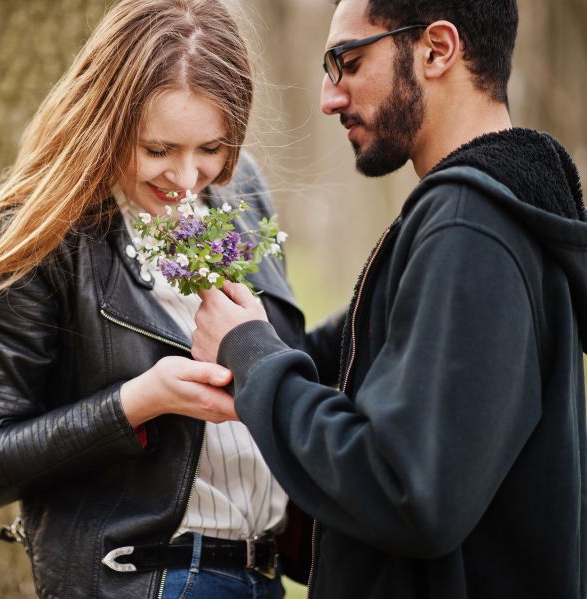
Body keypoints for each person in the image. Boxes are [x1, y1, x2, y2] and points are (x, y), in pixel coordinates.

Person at [0, 1, 333, 597]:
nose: (186, 177)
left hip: (263, 573)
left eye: (211, 148)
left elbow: (286, 346)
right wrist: (139, 401)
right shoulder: (41, 235)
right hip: (150, 578)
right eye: (158, 150)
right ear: (107, 121)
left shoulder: (241, 192)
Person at [192, 0, 587, 598]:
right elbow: (363, 362)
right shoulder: (496, 213)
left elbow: (409, 492)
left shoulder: (469, 226)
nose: (329, 98)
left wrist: (252, 360)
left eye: (348, 62)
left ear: (437, 49)